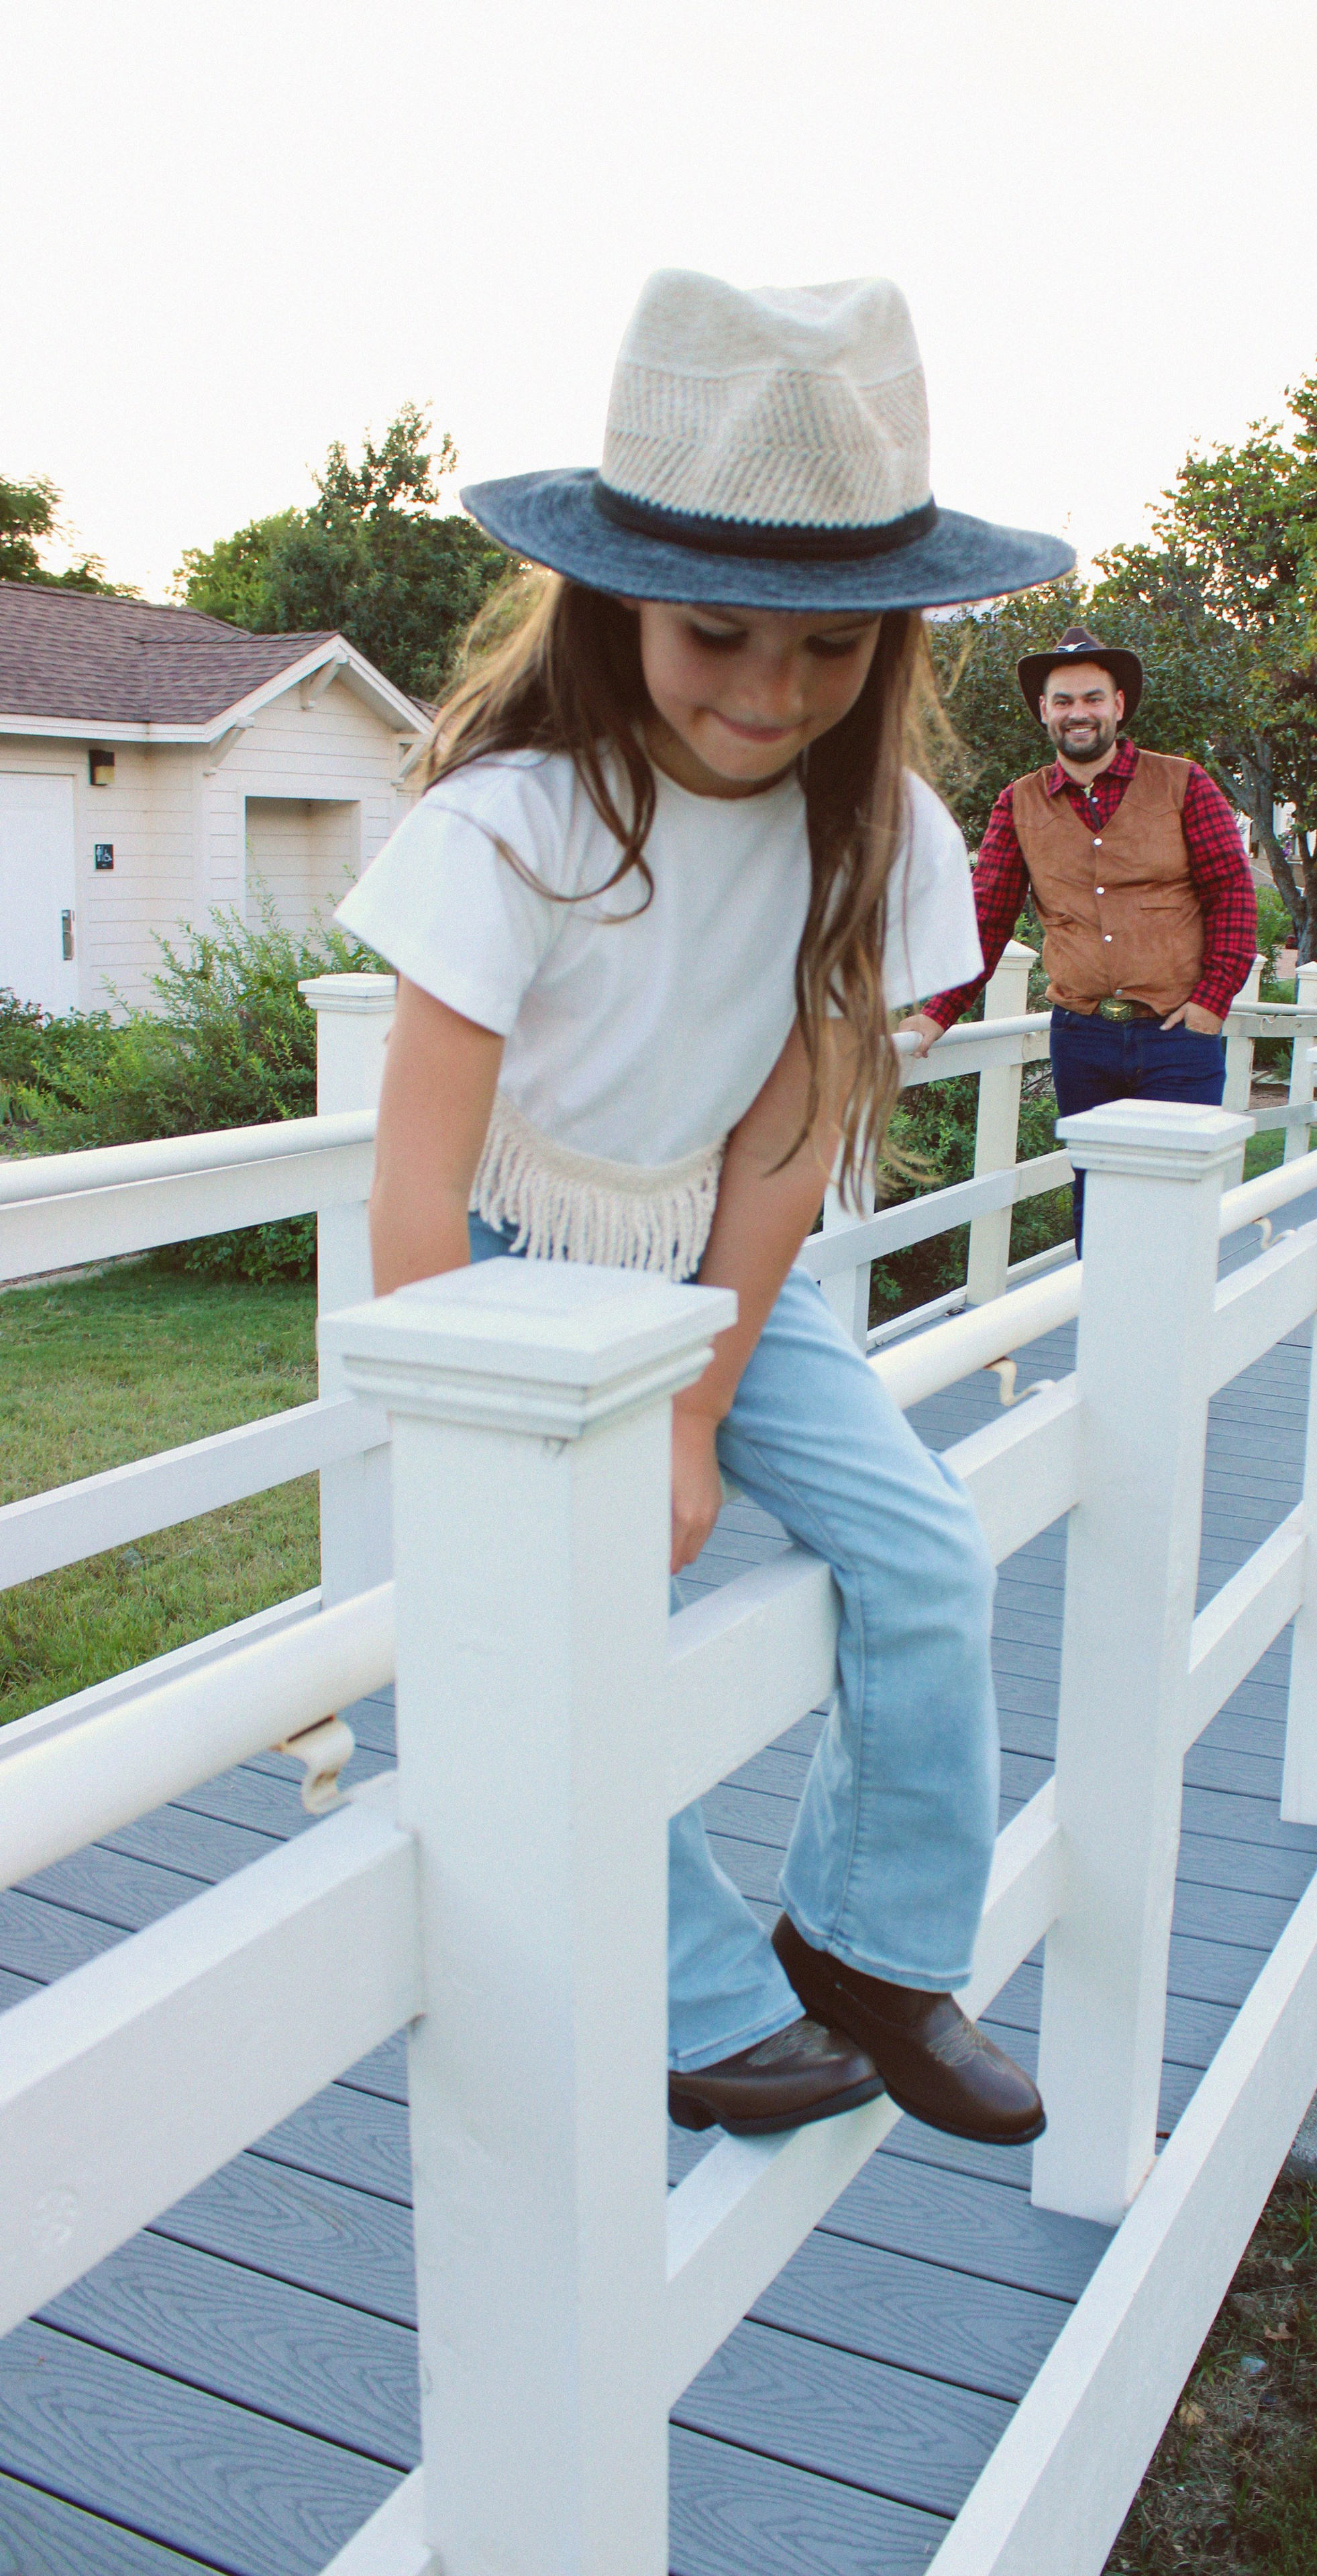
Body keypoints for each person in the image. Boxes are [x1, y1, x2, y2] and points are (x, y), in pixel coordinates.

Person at [335, 270, 1075, 2147]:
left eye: (829, 652)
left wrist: (692, 1398)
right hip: (499, 1274)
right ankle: (689, 1990)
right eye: (720, 635)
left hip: (701, 1254)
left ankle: (876, 1951)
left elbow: (787, 1134)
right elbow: (418, 1177)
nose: (772, 695)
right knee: (561, 1612)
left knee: (922, 1550)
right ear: (618, 603)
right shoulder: (513, 826)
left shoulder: (881, 826)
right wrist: (500, 1433)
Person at [902, 626, 1259, 1244]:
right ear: (1044, 711)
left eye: (1093, 698)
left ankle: (1174, 1341)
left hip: (1177, 1035)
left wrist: (1211, 1002)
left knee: (1174, 1212)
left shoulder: (1185, 784)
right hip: (1082, 1039)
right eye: (1063, 701)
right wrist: (934, 1017)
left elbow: (1232, 895)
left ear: (1119, 705)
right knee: (1097, 1210)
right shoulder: (1017, 804)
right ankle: (1103, 1336)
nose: (1078, 714)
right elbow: (984, 921)